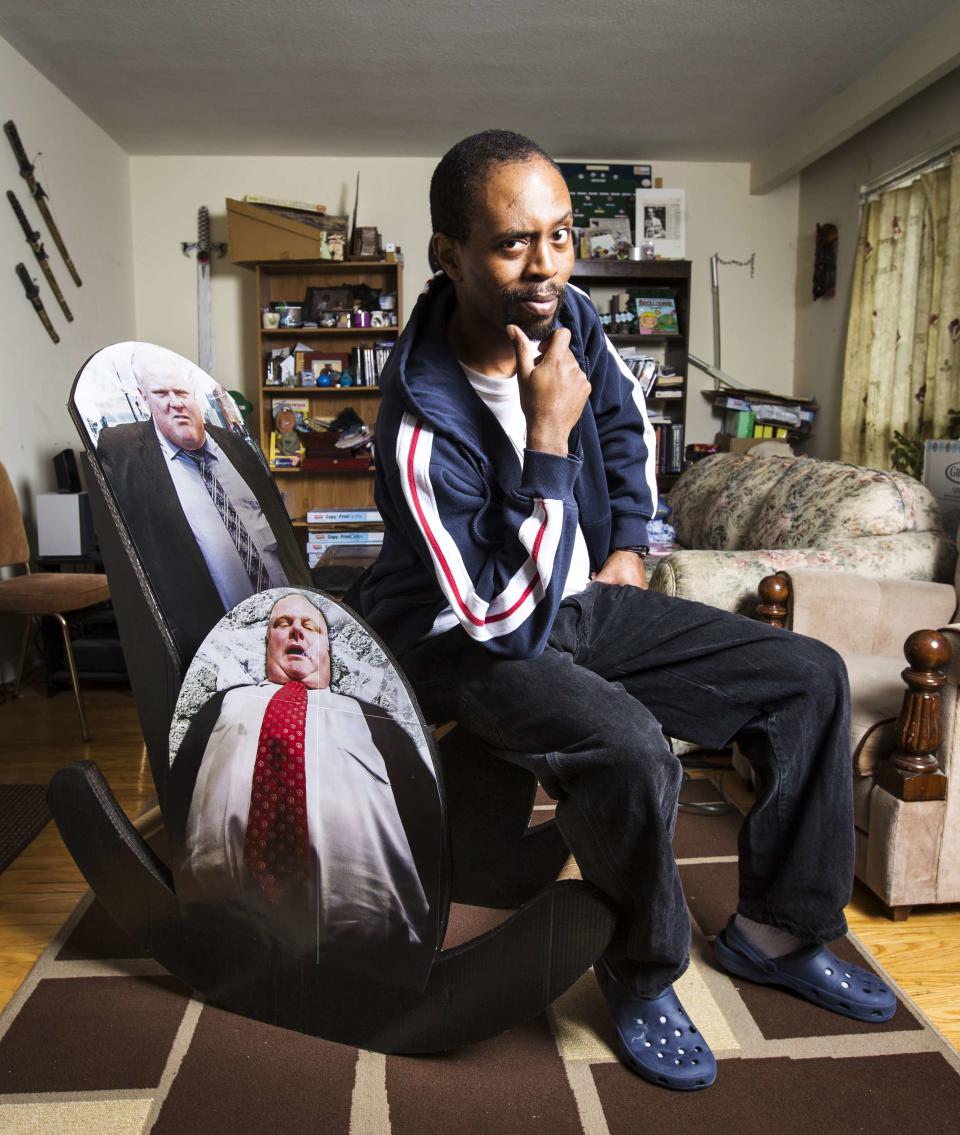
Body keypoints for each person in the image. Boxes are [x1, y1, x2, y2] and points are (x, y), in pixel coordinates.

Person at [361, 129, 896, 1090]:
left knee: (807, 677)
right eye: (513, 242)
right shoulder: (416, 424)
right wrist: (546, 441)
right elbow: (499, 622)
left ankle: (778, 931)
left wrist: (627, 547)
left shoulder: (573, 320)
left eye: (561, 236)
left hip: (576, 595)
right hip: (467, 635)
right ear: (449, 253)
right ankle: (644, 973)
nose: (546, 266)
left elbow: (621, 422)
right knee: (631, 746)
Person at [166, 591, 440, 990]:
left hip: (368, 930)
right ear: (268, 643)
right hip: (225, 906)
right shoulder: (226, 703)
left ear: (327, 649)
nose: (295, 630)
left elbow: (420, 804)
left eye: (310, 626)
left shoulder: (372, 718)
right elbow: (181, 780)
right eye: (281, 624)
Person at [97, 347, 308, 658]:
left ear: (193, 392)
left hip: (284, 614)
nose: (175, 402)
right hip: (217, 638)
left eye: (180, 391)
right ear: (143, 399)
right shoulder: (123, 449)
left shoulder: (237, 446)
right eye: (161, 393)